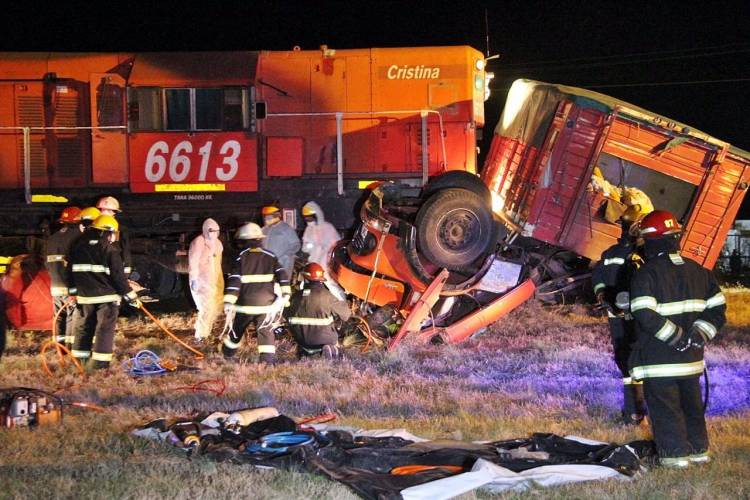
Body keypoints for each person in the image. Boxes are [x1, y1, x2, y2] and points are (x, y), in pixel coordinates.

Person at [629, 210, 726, 468]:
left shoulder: (646, 274)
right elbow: (717, 309)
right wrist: (698, 335)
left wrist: (677, 338)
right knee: (692, 409)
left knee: (666, 411)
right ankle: (699, 453)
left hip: (660, 361)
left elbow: (643, 312)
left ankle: (675, 461)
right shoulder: (700, 272)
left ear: (651, 241)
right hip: (692, 362)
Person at [66, 215, 140, 369]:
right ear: (105, 232)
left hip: (85, 297)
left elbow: (69, 272)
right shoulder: (109, 250)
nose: (113, 237)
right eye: (113, 233)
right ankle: (99, 365)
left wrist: (73, 293)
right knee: (104, 330)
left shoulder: (78, 247)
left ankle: (78, 363)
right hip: (107, 299)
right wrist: (131, 297)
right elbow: (118, 277)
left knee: (83, 329)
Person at [592, 219, 646, 425]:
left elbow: (597, 278)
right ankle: (638, 412)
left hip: (616, 316)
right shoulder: (641, 256)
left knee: (624, 360)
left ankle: (632, 413)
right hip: (637, 317)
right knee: (637, 360)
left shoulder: (609, 253)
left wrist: (603, 296)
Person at [222, 222, 290, 364]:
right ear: (260, 239)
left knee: (236, 330)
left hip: (245, 305)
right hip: (266, 305)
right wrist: (286, 294)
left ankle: (227, 354)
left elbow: (235, 280)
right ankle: (267, 361)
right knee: (265, 332)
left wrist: (229, 301)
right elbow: (282, 275)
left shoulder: (241, 257)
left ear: (244, 241)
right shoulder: (270, 256)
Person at [287, 262, 352, 360]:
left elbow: (285, 315)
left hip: (302, 341)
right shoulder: (327, 296)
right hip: (324, 340)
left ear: (305, 279)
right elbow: (346, 315)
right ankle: (332, 350)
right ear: (321, 280)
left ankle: (306, 353)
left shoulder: (295, 297)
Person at [45, 206, 83, 346]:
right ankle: (69, 348)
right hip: (70, 284)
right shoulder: (78, 238)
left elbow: (46, 262)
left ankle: (59, 348)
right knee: (72, 315)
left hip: (55, 285)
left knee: (59, 316)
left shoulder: (53, 238)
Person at [188, 218, 224, 341]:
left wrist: (219, 282)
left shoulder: (218, 244)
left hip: (215, 281)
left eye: (215, 231)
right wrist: (194, 279)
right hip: (201, 282)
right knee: (205, 308)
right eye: (211, 231)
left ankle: (210, 331)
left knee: (216, 307)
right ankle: (201, 335)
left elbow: (218, 263)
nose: (213, 233)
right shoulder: (198, 242)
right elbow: (193, 262)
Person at [301, 201, 344, 299]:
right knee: (305, 285)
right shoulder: (308, 230)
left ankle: (341, 304)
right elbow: (304, 247)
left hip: (326, 263)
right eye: (306, 218)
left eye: (310, 217)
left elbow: (337, 245)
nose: (309, 220)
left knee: (331, 285)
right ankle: (305, 304)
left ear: (316, 215)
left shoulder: (328, 228)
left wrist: (326, 247)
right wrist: (311, 246)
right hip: (313, 264)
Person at [261, 205, 300, 284]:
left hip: (282, 264)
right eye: (265, 216)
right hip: (266, 265)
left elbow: (296, 245)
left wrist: (286, 255)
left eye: (268, 216)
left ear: (276, 216)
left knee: (282, 286)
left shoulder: (285, 228)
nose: (266, 219)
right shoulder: (264, 230)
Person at [97, 196, 133, 276]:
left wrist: (125, 272)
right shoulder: (92, 228)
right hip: (107, 271)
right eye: (102, 210)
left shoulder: (120, 229)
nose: (104, 212)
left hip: (109, 270)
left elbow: (125, 251)